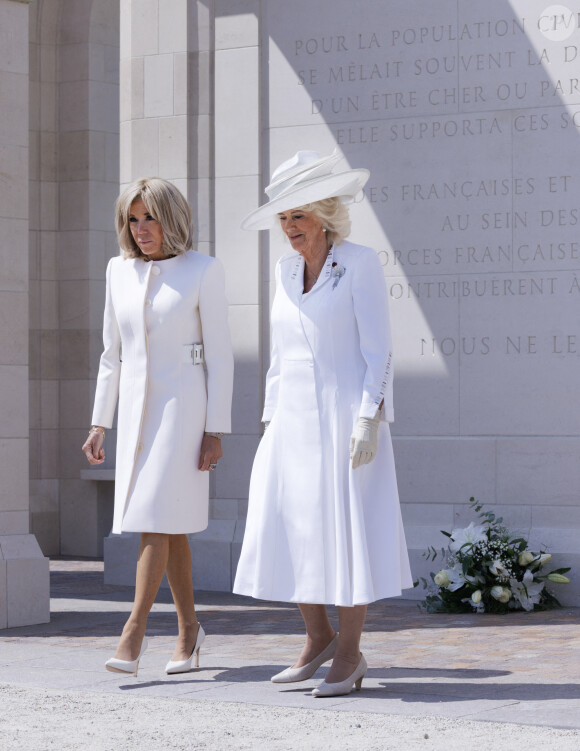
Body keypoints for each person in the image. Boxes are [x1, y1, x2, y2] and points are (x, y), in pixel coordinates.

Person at [233, 149, 413, 697]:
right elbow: (279, 356)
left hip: (344, 421)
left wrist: (368, 419)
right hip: (291, 423)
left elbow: (378, 351)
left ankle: (352, 653)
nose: (289, 227)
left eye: (299, 215)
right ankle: (318, 637)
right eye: (283, 217)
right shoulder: (285, 271)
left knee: (347, 531)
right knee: (290, 524)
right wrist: (268, 422)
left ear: (326, 215)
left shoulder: (358, 263)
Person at [82, 177, 234, 677]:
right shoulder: (117, 272)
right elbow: (112, 354)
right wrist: (100, 421)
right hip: (136, 417)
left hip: (184, 410)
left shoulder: (203, 271)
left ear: (172, 218)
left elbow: (221, 357)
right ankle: (189, 632)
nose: (142, 229)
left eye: (150, 217)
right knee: (169, 525)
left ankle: (133, 632)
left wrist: (216, 428)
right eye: (133, 219)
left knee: (152, 517)